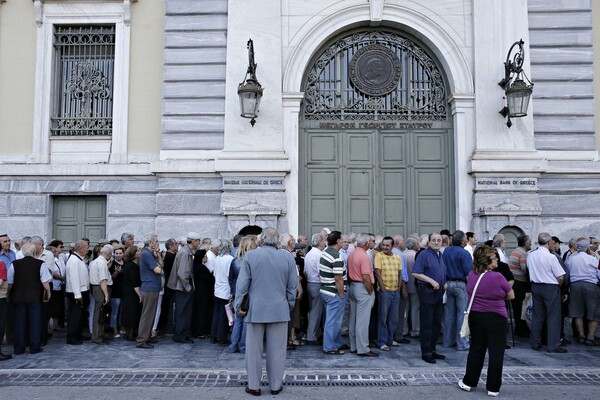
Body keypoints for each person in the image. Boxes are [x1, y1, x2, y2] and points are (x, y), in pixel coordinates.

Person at [234, 227, 298, 396]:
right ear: (277, 240)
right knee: (277, 350)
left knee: (253, 350)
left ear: (261, 239)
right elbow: (292, 286)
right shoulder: (287, 257)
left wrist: (239, 305)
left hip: (256, 308)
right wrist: (289, 304)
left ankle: (254, 385)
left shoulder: (251, 255)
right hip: (279, 307)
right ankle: (276, 385)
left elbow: (242, 285)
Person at [458, 245, 514, 397]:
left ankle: (469, 382)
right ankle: (493, 388)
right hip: (496, 317)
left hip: (477, 316)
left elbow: (471, 293)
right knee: (496, 352)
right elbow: (511, 295)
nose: (497, 260)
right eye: (495, 258)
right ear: (488, 261)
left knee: (476, 349)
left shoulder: (472, 275)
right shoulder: (498, 277)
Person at [7, 242, 52, 354]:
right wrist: (48, 293)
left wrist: (8, 294)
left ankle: (19, 348)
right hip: (34, 297)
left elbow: (10, 282)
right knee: (35, 323)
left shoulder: (14, 264)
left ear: (22, 252)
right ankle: (34, 347)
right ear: (34, 251)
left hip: (18, 297)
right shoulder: (40, 264)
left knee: (19, 323)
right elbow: (45, 283)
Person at [528, 232, 566, 353]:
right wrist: (557, 286)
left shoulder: (531, 255)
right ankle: (553, 344)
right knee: (553, 316)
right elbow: (560, 276)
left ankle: (535, 342)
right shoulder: (551, 257)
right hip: (550, 286)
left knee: (537, 316)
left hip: (535, 286)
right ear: (549, 242)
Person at [412, 233, 446, 364]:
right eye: (434, 240)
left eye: (439, 240)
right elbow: (416, 272)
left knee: (437, 322)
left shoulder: (440, 255)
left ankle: (433, 350)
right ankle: (426, 352)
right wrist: (431, 281)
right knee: (427, 322)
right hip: (427, 291)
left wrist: (445, 281)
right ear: (429, 242)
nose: (437, 242)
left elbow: (441, 271)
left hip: (439, 291)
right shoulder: (424, 255)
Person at [167, 232, 201, 344]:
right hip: (182, 287)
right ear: (194, 241)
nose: (199, 243)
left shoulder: (186, 251)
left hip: (183, 286)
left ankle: (184, 334)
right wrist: (188, 287)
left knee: (185, 311)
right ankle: (180, 335)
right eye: (198, 241)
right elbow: (182, 273)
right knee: (182, 312)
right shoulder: (185, 253)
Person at [442, 230, 473, 351]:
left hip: (448, 283)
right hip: (460, 284)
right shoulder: (464, 253)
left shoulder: (447, 251)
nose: (466, 240)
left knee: (449, 314)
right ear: (462, 241)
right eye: (465, 238)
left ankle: (448, 341)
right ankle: (462, 343)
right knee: (462, 314)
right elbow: (468, 273)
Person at [347, 232, 377, 357]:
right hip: (362, 287)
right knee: (363, 321)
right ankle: (363, 348)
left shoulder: (352, 254)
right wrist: (370, 290)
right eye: (370, 241)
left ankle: (354, 346)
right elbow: (366, 276)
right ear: (366, 243)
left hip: (353, 286)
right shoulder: (364, 256)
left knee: (353, 319)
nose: (371, 243)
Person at [566, 238, 600, 345]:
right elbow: (599, 274)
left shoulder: (571, 259)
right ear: (587, 248)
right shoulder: (592, 259)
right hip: (591, 286)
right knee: (593, 312)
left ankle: (581, 335)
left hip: (575, 286)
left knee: (577, 312)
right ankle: (590, 336)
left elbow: (567, 273)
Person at [319, 230, 348, 355]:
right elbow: (338, 278)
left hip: (325, 290)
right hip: (333, 292)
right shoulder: (336, 256)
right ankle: (330, 347)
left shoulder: (325, 252)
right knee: (333, 321)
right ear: (337, 241)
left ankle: (337, 342)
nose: (343, 241)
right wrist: (341, 294)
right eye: (342, 239)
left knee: (332, 320)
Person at [229, 235, 257, 353]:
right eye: (254, 245)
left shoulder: (235, 260)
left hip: (237, 293)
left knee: (238, 321)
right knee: (246, 321)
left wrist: (233, 291)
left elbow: (230, 278)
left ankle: (233, 345)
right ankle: (243, 346)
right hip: (248, 294)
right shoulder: (250, 261)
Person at [136, 235, 164, 349]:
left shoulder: (150, 254)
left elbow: (161, 265)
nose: (158, 243)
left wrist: (157, 256)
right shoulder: (147, 254)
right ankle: (141, 340)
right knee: (147, 315)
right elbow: (158, 270)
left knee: (150, 314)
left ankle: (146, 337)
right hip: (149, 288)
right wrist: (160, 267)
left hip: (153, 287)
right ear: (150, 243)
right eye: (156, 241)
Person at [65, 240, 90, 345]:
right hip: (77, 293)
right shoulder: (74, 261)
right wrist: (77, 295)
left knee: (80, 316)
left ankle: (78, 334)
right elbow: (74, 278)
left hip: (81, 291)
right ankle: (72, 338)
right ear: (81, 249)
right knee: (75, 316)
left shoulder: (78, 259)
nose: (88, 250)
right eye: (86, 247)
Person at [304, 233, 326, 344]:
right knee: (316, 312)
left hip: (309, 283)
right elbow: (321, 271)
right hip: (317, 284)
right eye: (324, 241)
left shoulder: (309, 253)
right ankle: (311, 336)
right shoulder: (319, 255)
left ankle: (315, 333)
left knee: (312, 310)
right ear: (320, 242)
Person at [210, 240, 234, 345]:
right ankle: (222, 337)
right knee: (224, 316)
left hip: (217, 290)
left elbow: (214, 273)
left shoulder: (218, 258)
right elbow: (231, 275)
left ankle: (214, 335)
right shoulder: (230, 259)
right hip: (226, 291)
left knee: (217, 314)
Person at [88, 244, 113, 344]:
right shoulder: (102, 263)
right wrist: (106, 294)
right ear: (108, 254)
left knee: (100, 313)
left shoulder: (95, 261)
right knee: (100, 313)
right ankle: (97, 336)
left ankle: (99, 335)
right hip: (100, 289)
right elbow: (103, 280)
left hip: (96, 288)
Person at [120, 246, 142, 341]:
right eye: (138, 251)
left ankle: (129, 333)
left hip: (127, 291)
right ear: (134, 254)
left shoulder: (128, 264)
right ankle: (130, 334)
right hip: (132, 292)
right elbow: (135, 283)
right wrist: (140, 295)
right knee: (132, 312)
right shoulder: (132, 266)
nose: (140, 252)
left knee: (129, 312)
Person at [191, 249, 214, 338]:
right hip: (203, 292)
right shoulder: (202, 267)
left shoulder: (194, 266)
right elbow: (209, 279)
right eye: (205, 256)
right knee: (202, 312)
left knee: (197, 312)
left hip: (196, 291)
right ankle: (200, 331)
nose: (207, 258)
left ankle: (196, 331)